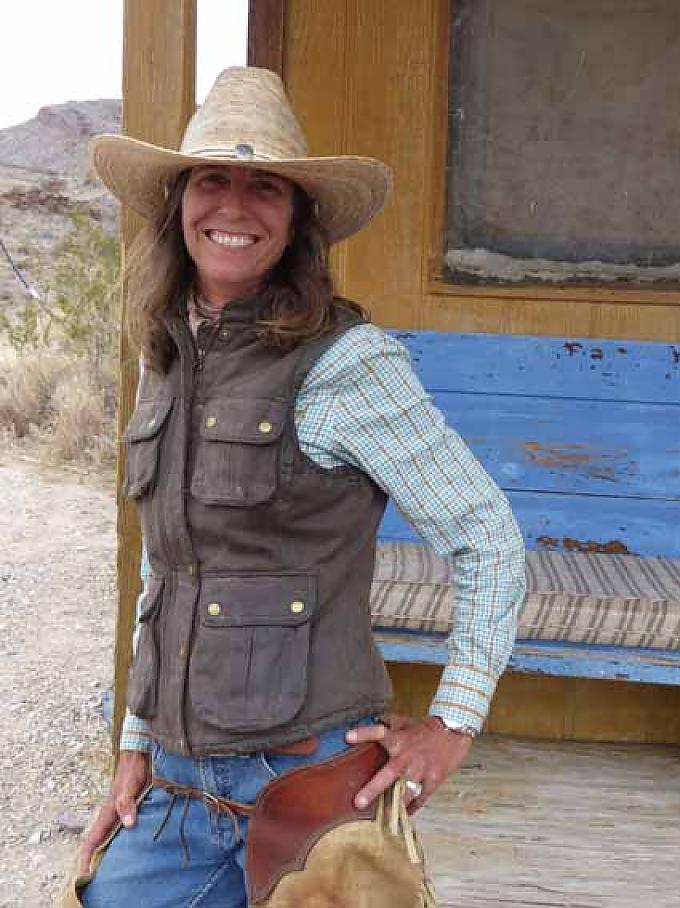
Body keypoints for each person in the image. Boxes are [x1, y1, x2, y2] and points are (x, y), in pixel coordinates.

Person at [77, 66, 526, 906]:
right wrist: (135, 742)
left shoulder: (347, 364)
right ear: (179, 203)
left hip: (309, 783)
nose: (235, 207)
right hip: (175, 784)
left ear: (296, 220)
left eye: (266, 187)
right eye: (212, 180)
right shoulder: (164, 356)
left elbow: (487, 537)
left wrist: (453, 722)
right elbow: (166, 572)